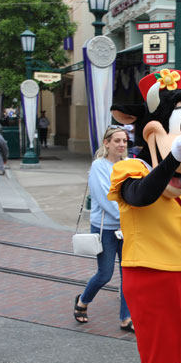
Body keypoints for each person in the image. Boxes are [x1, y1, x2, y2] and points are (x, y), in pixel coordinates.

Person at [73, 125, 132, 332]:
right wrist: (130, 215)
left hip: (127, 228)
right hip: (105, 228)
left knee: (129, 274)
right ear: (107, 143)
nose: (121, 145)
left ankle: (126, 318)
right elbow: (106, 199)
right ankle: (83, 301)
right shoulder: (99, 166)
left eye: (124, 141)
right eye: (117, 141)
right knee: (105, 274)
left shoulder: (129, 164)